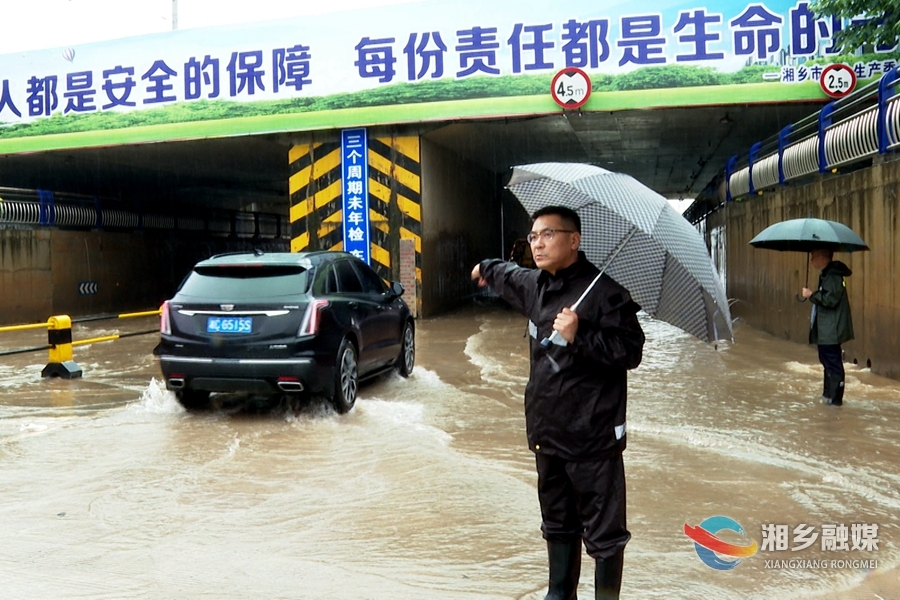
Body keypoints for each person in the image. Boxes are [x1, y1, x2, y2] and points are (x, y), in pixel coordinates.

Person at [470, 206, 644, 600]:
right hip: (547, 433)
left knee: (604, 533)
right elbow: (505, 274)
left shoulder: (605, 291)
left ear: (574, 240)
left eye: (548, 234)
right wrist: (485, 267)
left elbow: (630, 351)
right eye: (533, 237)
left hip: (593, 437)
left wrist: (579, 335)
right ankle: (559, 593)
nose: (538, 243)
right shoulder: (535, 285)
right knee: (557, 521)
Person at [801, 247, 854, 406]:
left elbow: (830, 300)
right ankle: (828, 394)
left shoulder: (833, 277)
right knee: (826, 361)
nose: (811, 260)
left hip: (831, 329)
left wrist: (812, 295)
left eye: (813, 256)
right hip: (826, 329)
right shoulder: (827, 275)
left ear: (823, 258)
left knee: (832, 362)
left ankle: (835, 400)